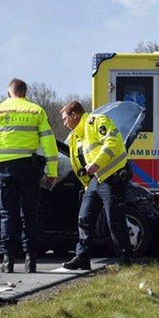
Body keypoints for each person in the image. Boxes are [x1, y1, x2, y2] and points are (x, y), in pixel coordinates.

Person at [0, 78, 58, 273]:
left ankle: (8, 261)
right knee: (30, 214)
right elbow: (49, 143)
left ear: (9, 93)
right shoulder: (36, 111)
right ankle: (31, 261)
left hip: (6, 170)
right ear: (25, 92)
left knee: (7, 215)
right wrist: (52, 172)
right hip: (29, 169)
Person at [60, 100, 133, 271]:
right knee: (84, 218)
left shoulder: (96, 121)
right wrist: (87, 185)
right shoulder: (75, 137)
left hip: (112, 177)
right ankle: (82, 258)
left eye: (65, 119)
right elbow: (78, 164)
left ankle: (125, 258)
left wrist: (96, 164)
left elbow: (113, 142)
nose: (64, 123)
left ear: (74, 115)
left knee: (114, 219)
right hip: (96, 180)